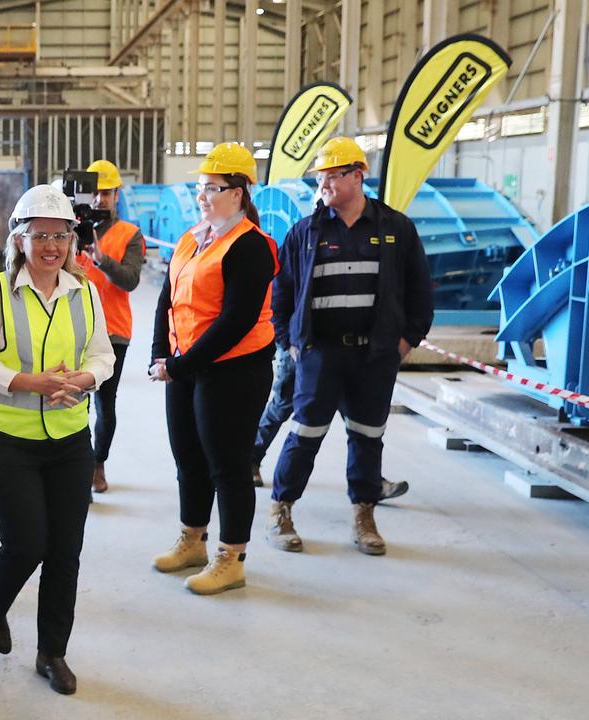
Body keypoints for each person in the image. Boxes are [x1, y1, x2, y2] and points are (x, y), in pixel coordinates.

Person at [0, 184, 115, 695]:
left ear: (72, 240)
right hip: (11, 440)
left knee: (65, 551)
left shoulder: (85, 291)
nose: (51, 246)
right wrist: (33, 383)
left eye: (61, 236)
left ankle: (52, 652)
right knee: (27, 542)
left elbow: (103, 356)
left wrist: (79, 381)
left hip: (71, 439)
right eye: (40, 236)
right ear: (20, 240)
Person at [267, 137, 434, 556]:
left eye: (331, 176)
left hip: (375, 355)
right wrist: (289, 341)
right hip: (320, 353)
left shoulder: (395, 228)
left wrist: (406, 339)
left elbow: (420, 289)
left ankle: (364, 514)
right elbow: (283, 289)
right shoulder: (305, 232)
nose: (322, 184)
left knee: (367, 435)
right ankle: (282, 509)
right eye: (320, 177)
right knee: (305, 433)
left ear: (357, 176)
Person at [148, 142, 277, 596]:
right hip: (187, 367)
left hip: (234, 370)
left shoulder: (252, 247)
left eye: (213, 188)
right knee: (188, 459)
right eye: (200, 188)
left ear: (239, 192)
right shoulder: (192, 236)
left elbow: (235, 322)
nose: (202, 196)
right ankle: (193, 541)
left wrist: (181, 365)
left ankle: (231, 558)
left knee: (228, 466)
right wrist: (159, 353)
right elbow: (168, 297)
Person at [251, 351, 409, 500]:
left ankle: (371, 483)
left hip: (341, 354)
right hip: (301, 351)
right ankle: (251, 461)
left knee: (358, 421)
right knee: (281, 407)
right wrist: (289, 342)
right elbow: (279, 321)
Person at [75, 159, 144, 495]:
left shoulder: (129, 234)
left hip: (113, 330)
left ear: (117, 194)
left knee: (105, 402)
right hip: (73, 328)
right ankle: (81, 466)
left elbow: (130, 280)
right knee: (77, 404)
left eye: (106, 192)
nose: (100, 199)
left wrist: (99, 256)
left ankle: (97, 464)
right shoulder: (69, 229)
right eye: (95, 192)